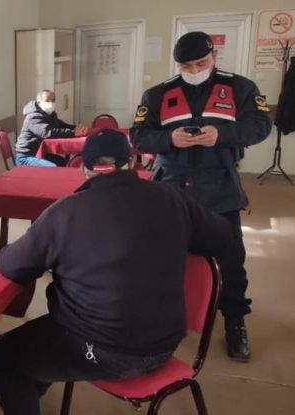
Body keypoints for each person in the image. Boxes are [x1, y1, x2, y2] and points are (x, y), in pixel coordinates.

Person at [0, 129, 232, 415]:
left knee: (4, 355)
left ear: (84, 168)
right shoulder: (170, 196)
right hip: (165, 344)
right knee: (39, 348)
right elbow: (223, 238)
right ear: (131, 164)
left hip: (103, 349)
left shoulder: (65, 212)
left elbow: (12, 266)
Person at [131, 31, 272, 361]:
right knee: (164, 258)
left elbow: (261, 125)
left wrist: (222, 134)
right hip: (170, 188)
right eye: (186, 66)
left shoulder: (240, 88)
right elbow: (138, 136)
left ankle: (234, 321)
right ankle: (162, 318)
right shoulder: (158, 94)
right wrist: (169, 140)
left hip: (220, 187)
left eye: (201, 63)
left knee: (230, 260)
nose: (194, 70)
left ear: (214, 57)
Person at [15, 89, 88, 167]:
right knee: (53, 167)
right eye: (47, 100)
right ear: (39, 102)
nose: (51, 103)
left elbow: (60, 125)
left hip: (40, 153)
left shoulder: (50, 114)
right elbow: (47, 133)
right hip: (26, 156)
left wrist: (75, 128)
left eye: (53, 100)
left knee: (63, 162)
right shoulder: (33, 116)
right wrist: (73, 132)